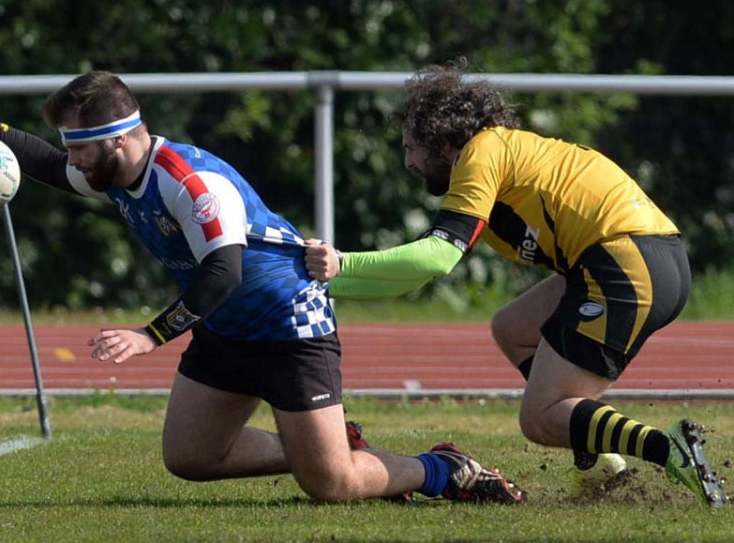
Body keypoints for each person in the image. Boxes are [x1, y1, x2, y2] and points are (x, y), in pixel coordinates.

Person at [0, 71, 525, 504]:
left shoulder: (190, 184)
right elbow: (50, 167)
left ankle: (441, 470)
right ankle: (322, 446)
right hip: (225, 324)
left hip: (286, 321)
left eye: (79, 145)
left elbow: (225, 273)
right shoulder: (115, 170)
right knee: (190, 458)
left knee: (334, 484)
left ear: (117, 141)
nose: (72, 157)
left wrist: (151, 336)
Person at [304, 60, 728, 508]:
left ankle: (667, 447)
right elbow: (416, 274)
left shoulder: (480, 153)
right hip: (646, 258)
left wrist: (341, 265)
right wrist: (330, 288)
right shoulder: (501, 154)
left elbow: (436, 257)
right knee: (513, 327)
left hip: (625, 264)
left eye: (411, 147)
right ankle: (601, 456)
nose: (407, 161)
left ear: (445, 143)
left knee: (539, 418)